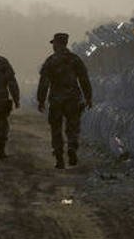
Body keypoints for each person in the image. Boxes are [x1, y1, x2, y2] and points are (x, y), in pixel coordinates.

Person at [37, 32, 93, 169]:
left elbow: (44, 83)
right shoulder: (75, 59)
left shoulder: (51, 61)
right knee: (72, 127)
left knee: (56, 129)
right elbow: (84, 79)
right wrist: (88, 97)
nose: (53, 46)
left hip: (56, 100)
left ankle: (59, 158)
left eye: (54, 43)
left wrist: (41, 100)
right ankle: (72, 148)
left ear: (57, 44)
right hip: (73, 98)